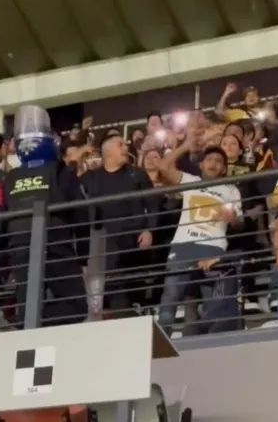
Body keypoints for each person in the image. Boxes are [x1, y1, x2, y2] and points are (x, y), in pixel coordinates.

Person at [4, 105, 88, 327]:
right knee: (77, 306)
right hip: (55, 242)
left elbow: (5, 213)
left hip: (19, 245)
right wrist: (84, 256)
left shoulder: (11, 176)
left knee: (29, 301)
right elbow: (80, 211)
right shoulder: (60, 169)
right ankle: (36, 322)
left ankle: (28, 320)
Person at [154, 139, 242, 336]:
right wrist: (186, 145)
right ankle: (159, 345)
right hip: (183, 247)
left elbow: (239, 223)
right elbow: (162, 166)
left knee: (215, 302)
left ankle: (213, 344)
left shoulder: (231, 190)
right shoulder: (190, 181)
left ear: (224, 169)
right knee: (170, 297)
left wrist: (232, 218)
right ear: (201, 164)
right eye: (209, 159)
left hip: (214, 249)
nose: (213, 163)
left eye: (219, 161)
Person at [80, 134, 158, 315]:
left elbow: (152, 205)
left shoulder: (136, 173)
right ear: (107, 152)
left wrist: (150, 230)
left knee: (128, 286)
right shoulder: (91, 177)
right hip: (106, 242)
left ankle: (130, 316)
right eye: (120, 144)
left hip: (134, 238)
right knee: (115, 284)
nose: (126, 147)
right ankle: (126, 318)